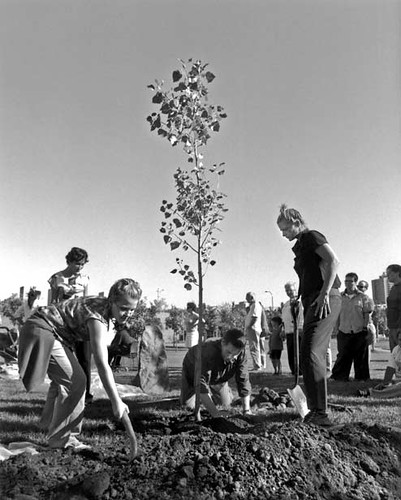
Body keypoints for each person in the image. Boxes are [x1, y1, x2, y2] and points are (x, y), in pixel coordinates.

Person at [18, 278, 141, 450]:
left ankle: (48, 426)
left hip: (44, 329)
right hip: (42, 329)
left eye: (132, 310)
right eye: (123, 308)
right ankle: (63, 441)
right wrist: (116, 401)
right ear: (111, 301)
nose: (127, 313)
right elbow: (101, 362)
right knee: (76, 382)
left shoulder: (102, 306)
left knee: (63, 382)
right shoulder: (97, 317)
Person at [277, 204, 341, 427]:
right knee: (309, 352)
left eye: (285, 229)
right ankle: (317, 410)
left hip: (326, 298)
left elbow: (334, 261)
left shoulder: (312, 236)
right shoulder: (301, 245)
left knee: (311, 351)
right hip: (311, 299)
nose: (283, 235)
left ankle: (319, 413)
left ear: (296, 222)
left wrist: (323, 295)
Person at [48, 247, 92, 403]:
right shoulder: (57, 278)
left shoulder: (85, 278)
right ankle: (63, 391)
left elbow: (86, 301)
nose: (79, 267)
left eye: (82, 264)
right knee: (63, 359)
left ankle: (86, 395)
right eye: (77, 264)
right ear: (69, 261)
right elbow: (52, 302)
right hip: (63, 323)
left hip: (80, 323)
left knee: (85, 359)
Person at [181, 328, 251, 417]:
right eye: (228, 352)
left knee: (225, 404)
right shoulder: (206, 353)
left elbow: (243, 379)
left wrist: (246, 410)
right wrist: (215, 414)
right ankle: (191, 394)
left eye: (234, 355)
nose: (231, 357)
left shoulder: (241, 353)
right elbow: (200, 383)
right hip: (193, 372)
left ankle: (217, 391)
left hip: (218, 376)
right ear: (222, 343)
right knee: (188, 406)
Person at [330, 273, 373, 382]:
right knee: (343, 356)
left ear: (355, 282)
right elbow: (337, 315)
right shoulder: (339, 297)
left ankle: (361, 377)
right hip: (344, 331)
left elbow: (366, 314)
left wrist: (364, 328)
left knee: (361, 356)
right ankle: (339, 377)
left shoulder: (363, 297)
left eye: (351, 281)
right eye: (346, 281)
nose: (348, 283)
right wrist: (336, 329)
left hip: (359, 331)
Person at [357, 330, 401, 399]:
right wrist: (385, 383)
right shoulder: (396, 350)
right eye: (400, 340)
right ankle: (385, 389)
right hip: (397, 382)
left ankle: (372, 393)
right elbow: (390, 368)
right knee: (388, 385)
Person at [281, 281, 303, 375]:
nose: (289, 292)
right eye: (287, 290)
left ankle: (301, 370)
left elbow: (302, 316)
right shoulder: (286, 304)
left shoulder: (301, 302)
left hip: (298, 331)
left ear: (295, 289)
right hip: (289, 331)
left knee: (299, 352)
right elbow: (284, 319)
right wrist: (283, 330)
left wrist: (300, 327)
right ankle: (294, 370)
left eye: (290, 290)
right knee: (291, 352)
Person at [244, 292, 265, 371]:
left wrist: (249, 326)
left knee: (254, 347)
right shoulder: (253, 306)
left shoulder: (255, 305)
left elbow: (254, 317)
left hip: (253, 328)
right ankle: (260, 364)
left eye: (247, 298)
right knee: (257, 347)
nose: (246, 299)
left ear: (251, 297)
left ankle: (257, 365)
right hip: (254, 328)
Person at [385, 264, 401, 352]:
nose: (388, 276)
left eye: (390, 273)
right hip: (392, 327)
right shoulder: (393, 288)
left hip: (399, 328)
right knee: (395, 355)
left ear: (397, 273)